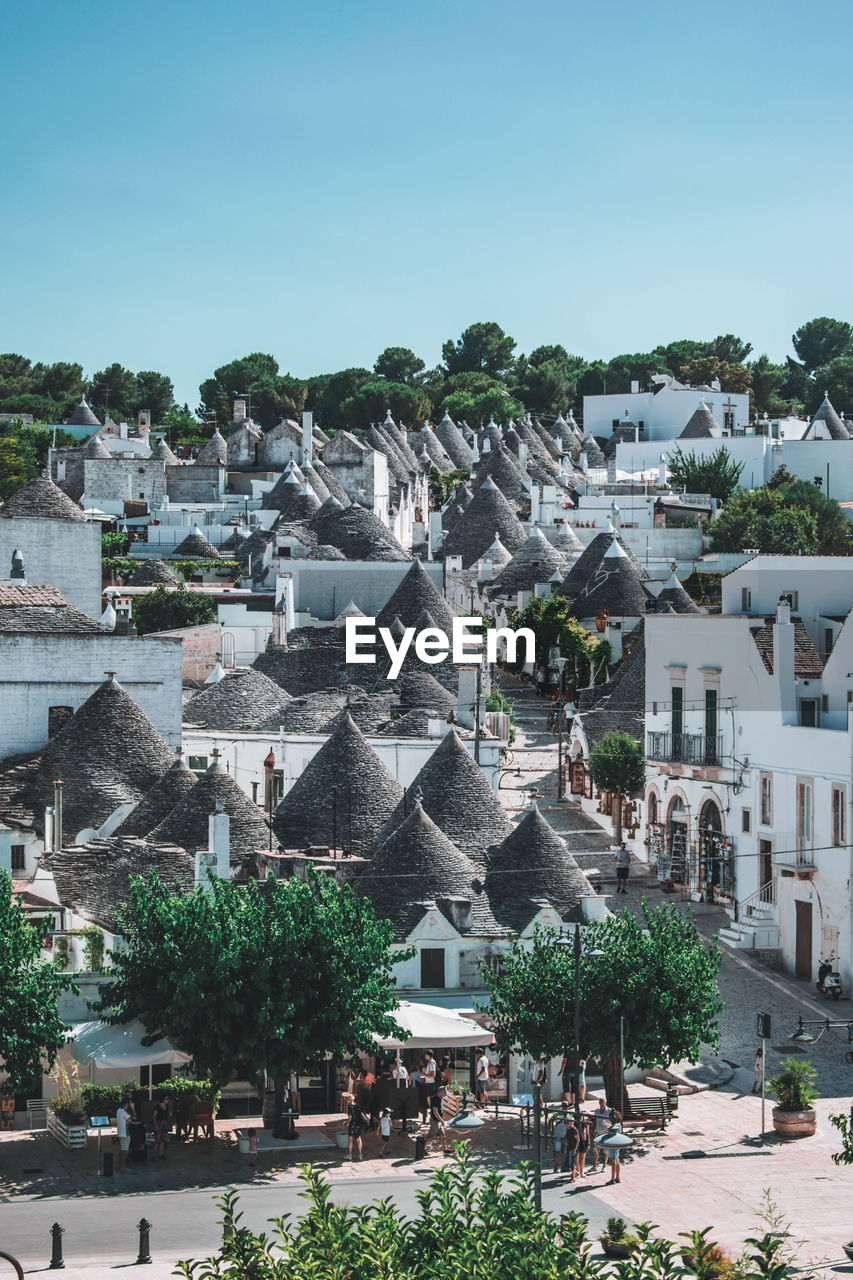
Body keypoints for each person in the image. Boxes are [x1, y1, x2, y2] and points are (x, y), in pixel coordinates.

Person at [592, 1097, 615, 1172]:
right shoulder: (597, 1110)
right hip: (598, 1133)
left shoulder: (609, 1111)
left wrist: (607, 1124)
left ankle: (604, 1166)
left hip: (606, 1134)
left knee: (606, 1151)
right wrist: (593, 1130)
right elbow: (595, 1121)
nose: (602, 1104)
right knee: (595, 1150)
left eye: (603, 1102)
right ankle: (594, 1166)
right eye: (600, 1102)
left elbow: (613, 1123)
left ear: (606, 1102)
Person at [346, 1094, 367, 1162]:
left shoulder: (350, 1107)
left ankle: (349, 1155)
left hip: (352, 1124)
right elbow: (362, 1114)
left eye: (347, 1099)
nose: (346, 1100)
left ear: (350, 1100)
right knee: (358, 1139)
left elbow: (350, 1117)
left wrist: (346, 1122)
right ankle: (360, 1155)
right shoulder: (357, 1106)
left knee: (350, 1139)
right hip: (358, 1124)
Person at [428, 1088, 449, 1155]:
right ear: (441, 1091)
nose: (445, 1094)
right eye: (445, 1092)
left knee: (443, 1136)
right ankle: (422, 1149)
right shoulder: (436, 1099)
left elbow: (428, 1098)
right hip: (435, 1121)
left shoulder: (438, 1098)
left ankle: (445, 1149)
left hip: (438, 1121)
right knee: (430, 1136)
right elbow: (435, 1112)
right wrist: (442, 1121)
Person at [607, 1110, 623, 1184]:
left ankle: (613, 1179)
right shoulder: (619, 1125)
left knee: (613, 1162)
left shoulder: (616, 1126)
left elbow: (611, 1129)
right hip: (617, 1144)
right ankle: (618, 1178)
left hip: (612, 1144)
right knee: (617, 1160)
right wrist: (607, 1124)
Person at [115, 1098, 132, 1171]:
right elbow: (131, 1118)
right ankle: (122, 1166)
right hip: (125, 1134)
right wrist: (133, 1109)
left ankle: (119, 1165)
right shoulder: (124, 1112)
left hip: (121, 1133)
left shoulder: (119, 1110)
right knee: (124, 1151)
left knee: (122, 1149)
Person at [551, 1105, 568, 1172]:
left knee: (563, 1152)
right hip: (558, 1135)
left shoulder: (569, 1114)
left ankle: (563, 1166)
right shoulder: (556, 1114)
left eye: (566, 1106)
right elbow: (551, 1121)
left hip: (565, 1136)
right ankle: (556, 1166)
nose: (565, 1108)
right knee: (556, 1152)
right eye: (564, 1106)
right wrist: (551, 1130)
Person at [152, 1094, 170, 1161]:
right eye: (166, 1099)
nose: (167, 1100)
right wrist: (156, 1125)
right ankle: (154, 1155)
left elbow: (167, 1115)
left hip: (164, 1124)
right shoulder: (157, 1106)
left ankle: (161, 1154)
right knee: (157, 1140)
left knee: (162, 1140)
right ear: (163, 1099)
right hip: (159, 1123)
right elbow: (154, 1117)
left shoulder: (167, 1106)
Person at [576, 1113, 591, 1179]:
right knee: (577, 1157)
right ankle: (578, 1171)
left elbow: (588, 1134)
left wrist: (588, 1143)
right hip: (577, 1142)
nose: (580, 1118)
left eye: (581, 1117)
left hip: (584, 1141)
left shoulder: (585, 1125)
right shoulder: (576, 1124)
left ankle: (582, 1171)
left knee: (582, 1157)